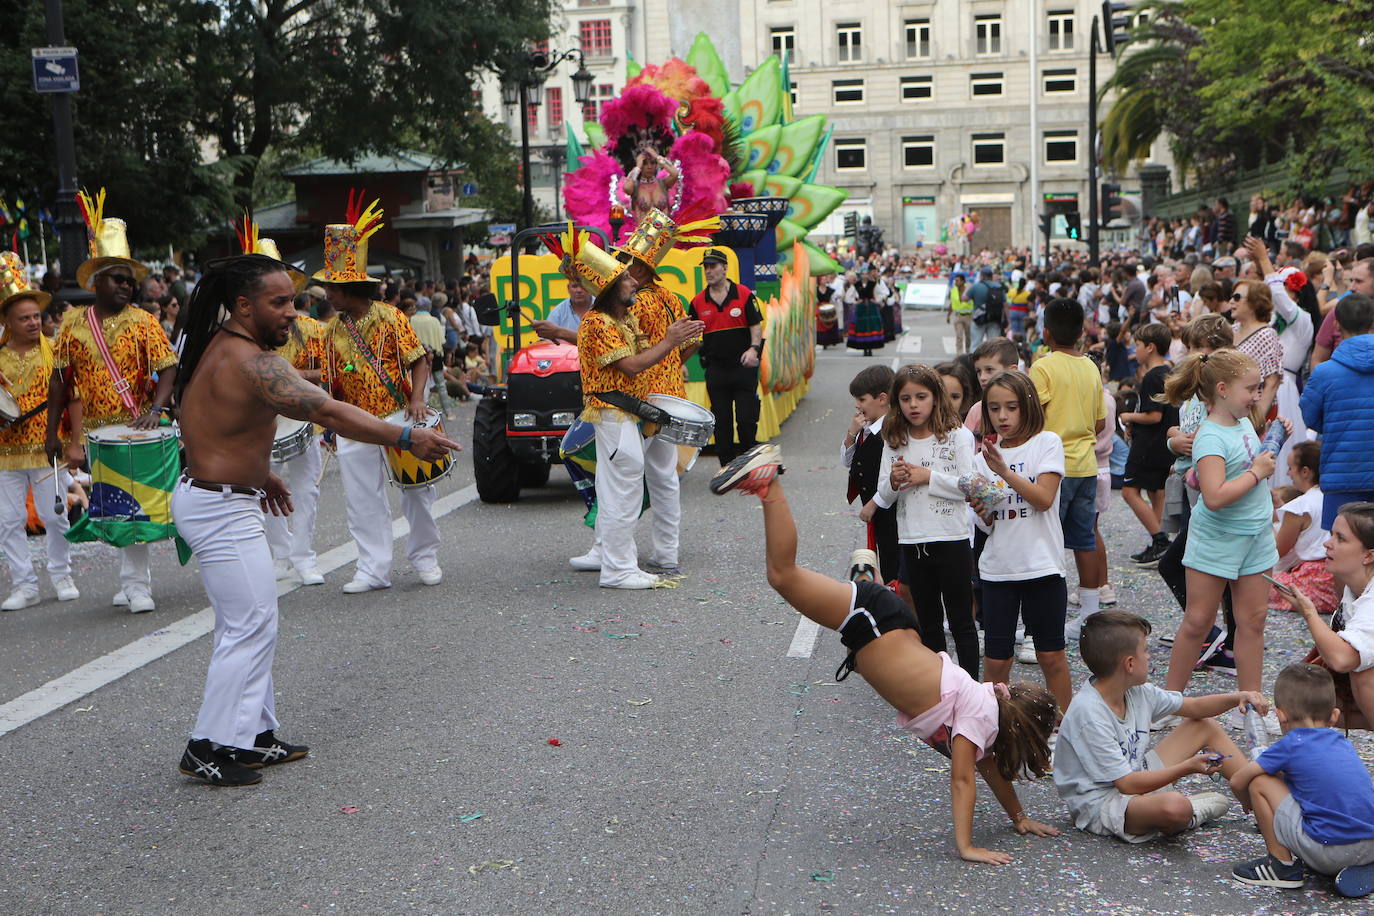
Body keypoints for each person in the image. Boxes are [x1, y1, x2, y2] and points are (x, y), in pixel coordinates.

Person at [171, 253, 458, 786]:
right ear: (242, 306)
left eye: (294, 300)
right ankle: (207, 745)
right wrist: (404, 435)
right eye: (278, 302)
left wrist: (259, 472)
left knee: (256, 622)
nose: (293, 312)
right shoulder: (254, 361)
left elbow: (211, 426)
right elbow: (325, 410)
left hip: (224, 495)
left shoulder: (229, 346)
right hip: (218, 505)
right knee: (248, 625)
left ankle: (252, 734)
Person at [710, 443, 1061, 865]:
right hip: (875, 621)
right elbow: (964, 779)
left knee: (788, 578)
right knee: (783, 576)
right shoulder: (977, 720)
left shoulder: (984, 724)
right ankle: (769, 485)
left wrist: (1019, 817)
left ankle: (864, 570)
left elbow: (989, 772)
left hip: (881, 627)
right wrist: (967, 847)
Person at [45, 192, 176, 614]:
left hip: (136, 430)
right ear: (96, 280)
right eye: (117, 278)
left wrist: (156, 409)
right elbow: (60, 381)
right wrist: (54, 433)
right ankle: (132, 578)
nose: (126, 285)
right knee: (114, 509)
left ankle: (137, 585)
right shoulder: (72, 325)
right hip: (98, 432)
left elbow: (168, 368)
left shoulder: (144, 321)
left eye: (129, 280)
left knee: (134, 508)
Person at [314, 201, 449, 593]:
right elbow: (330, 383)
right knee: (361, 499)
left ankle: (426, 557)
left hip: (397, 415)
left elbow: (420, 360)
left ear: (349, 287)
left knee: (418, 492)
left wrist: (418, 398)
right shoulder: (330, 330)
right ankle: (373, 569)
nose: (328, 295)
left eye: (332, 288)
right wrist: (329, 425)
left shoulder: (391, 318)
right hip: (355, 424)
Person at [564, 226, 702, 588]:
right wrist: (670, 353)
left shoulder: (622, 314)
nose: (626, 271)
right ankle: (628, 560)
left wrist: (665, 352)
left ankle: (614, 559)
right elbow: (634, 362)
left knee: (624, 480)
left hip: (640, 405)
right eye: (621, 271)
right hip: (633, 404)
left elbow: (637, 360)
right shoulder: (609, 318)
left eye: (629, 265)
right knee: (636, 479)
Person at [1054, 610, 1261, 844]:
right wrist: (1187, 768)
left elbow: (1194, 707)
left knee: (1204, 726)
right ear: (1130, 664)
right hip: (1104, 805)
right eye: (1146, 650)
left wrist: (1239, 697)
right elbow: (1127, 784)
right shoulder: (1089, 713)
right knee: (1175, 807)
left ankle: (1261, 805)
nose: (1150, 656)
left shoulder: (1136, 690)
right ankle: (1189, 814)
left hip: (1136, 776)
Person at [1161, 349, 1285, 701]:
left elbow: (1248, 468)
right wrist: (1256, 473)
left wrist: (1262, 477)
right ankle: (1170, 701)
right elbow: (1214, 496)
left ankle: (1250, 701)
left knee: (1253, 621)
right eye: (1251, 389)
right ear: (1222, 389)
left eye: (1259, 387)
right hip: (1217, 538)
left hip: (1255, 535)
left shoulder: (1243, 420)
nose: (1257, 396)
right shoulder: (1210, 436)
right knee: (1198, 621)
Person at [967, 370, 1072, 712]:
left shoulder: (1046, 443)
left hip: (1042, 566)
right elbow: (986, 526)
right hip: (998, 570)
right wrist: (982, 513)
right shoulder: (980, 458)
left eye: (1011, 407)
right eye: (994, 408)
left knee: (1051, 655)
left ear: (1028, 407)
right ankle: (991, 727)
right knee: (996, 662)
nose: (1002, 416)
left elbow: (1043, 499)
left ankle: (1063, 727)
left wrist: (1004, 472)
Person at [1228, 663, 1374, 894]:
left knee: (1260, 782)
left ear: (1281, 716)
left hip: (1329, 853)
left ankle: (1281, 866)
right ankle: (1359, 860)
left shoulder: (1290, 745)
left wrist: (1249, 803)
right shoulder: (1342, 744)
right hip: (1370, 844)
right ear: (1334, 715)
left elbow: (1238, 780)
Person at [876, 365, 978, 677]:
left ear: (936, 398)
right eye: (906, 399)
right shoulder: (894, 438)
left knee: (961, 621)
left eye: (921, 397)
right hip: (912, 541)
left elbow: (971, 486)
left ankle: (972, 686)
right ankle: (942, 686)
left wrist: (927, 477)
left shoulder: (957, 435)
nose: (914, 405)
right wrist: (893, 481)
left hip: (952, 539)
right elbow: (884, 495)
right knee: (929, 623)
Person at [0, 253, 78, 610]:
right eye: (24, 318)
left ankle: (61, 574)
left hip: (48, 448)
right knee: (8, 521)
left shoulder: (53, 354)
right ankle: (24, 585)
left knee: (55, 516)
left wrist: (69, 439)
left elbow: (72, 396)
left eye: (36, 316)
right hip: (5, 452)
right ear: (7, 322)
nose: (33, 323)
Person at [1028, 299, 1107, 644]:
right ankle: (1089, 615)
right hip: (1086, 465)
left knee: (1044, 543)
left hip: (1051, 467)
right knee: (1084, 539)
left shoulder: (1042, 367)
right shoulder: (1090, 366)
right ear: (1081, 332)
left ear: (1045, 332)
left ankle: (1043, 620)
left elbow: (1034, 416)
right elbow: (1101, 420)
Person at [1292, 503, 1374, 730]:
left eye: (1340, 538)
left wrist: (1309, 613)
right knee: (1308, 701)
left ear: (1368, 555)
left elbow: (1343, 659)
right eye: (1331, 535)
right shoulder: (1354, 588)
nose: (1327, 543)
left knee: (1362, 673)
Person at [264, 292, 327, 585]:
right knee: (265, 492)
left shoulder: (313, 328)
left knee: (306, 489)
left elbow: (333, 368)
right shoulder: (250, 331)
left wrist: (293, 375)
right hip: (262, 421)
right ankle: (280, 554)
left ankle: (303, 557)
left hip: (304, 419)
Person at [1301, 293, 1374, 529]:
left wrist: (1336, 425)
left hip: (1342, 475)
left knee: (1342, 548)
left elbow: (1310, 417)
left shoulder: (1324, 373)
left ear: (1336, 324)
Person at [689, 248, 762, 466]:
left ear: (725, 268)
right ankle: (727, 468)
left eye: (713, 266)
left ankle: (750, 465)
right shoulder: (697, 302)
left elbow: (755, 326)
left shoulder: (744, 294)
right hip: (716, 370)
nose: (709, 271)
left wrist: (753, 349)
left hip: (743, 367)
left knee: (746, 419)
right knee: (722, 422)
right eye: (706, 267)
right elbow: (692, 336)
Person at [1118, 323, 1179, 568]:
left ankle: (1160, 539)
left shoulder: (1153, 376)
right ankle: (1158, 544)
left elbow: (1154, 416)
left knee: (1129, 491)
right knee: (1156, 492)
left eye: (1138, 345)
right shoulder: (1169, 372)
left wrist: (1128, 417)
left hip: (1149, 444)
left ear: (1150, 347)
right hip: (1163, 444)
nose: (1135, 350)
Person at [841, 365, 897, 585]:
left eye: (862, 399)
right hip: (877, 511)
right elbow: (847, 461)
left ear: (882, 399)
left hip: (890, 511)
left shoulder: (891, 431)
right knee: (884, 559)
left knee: (894, 564)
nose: (857, 405)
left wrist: (874, 503)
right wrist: (852, 434)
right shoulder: (868, 428)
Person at [1270, 442, 1336, 614]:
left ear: (1305, 471)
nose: (1287, 473)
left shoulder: (1300, 506)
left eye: (1291, 467)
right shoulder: (1333, 498)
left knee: (1249, 584)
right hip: (1337, 580)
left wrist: (1265, 522)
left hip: (1311, 581)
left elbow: (1278, 551)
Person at [531, 266, 592, 344]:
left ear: (590, 287)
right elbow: (546, 343)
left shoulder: (602, 307)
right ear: (568, 288)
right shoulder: (557, 313)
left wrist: (559, 332)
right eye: (574, 286)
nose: (579, 290)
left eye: (582, 286)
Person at [967, 268, 1004, 350]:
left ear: (982, 276)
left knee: (976, 343)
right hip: (995, 318)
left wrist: (968, 287)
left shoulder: (976, 286)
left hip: (979, 317)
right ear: (991, 276)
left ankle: (973, 361)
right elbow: (1005, 304)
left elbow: (964, 298)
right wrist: (1007, 319)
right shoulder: (999, 287)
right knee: (994, 344)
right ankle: (993, 361)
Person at [946, 273, 973, 354]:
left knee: (968, 336)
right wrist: (948, 316)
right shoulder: (953, 291)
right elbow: (951, 304)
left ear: (963, 281)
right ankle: (959, 355)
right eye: (955, 281)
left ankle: (968, 353)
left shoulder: (969, 290)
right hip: (958, 316)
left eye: (957, 281)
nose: (955, 282)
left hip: (968, 316)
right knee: (959, 336)